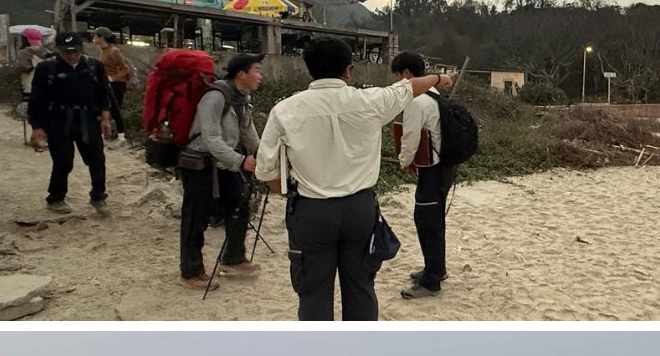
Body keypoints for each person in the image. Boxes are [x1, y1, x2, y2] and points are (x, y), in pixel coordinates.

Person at [254, 37, 454, 321]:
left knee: (313, 292)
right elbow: (407, 88)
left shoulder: (284, 110)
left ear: (309, 68)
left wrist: (291, 194)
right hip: (360, 211)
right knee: (361, 288)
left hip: (311, 213)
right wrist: (439, 77)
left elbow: (265, 171)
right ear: (349, 69)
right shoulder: (370, 101)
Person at [179, 53, 263, 290]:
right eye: (256, 70)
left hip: (225, 162)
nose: (260, 76)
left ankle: (233, 257)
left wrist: (265, 154)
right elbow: (210, 138)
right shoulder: (215, 97)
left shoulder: (242, 98)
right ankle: (191, 271)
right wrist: (240, 161)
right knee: (197, 216)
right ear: (241, 74)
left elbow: (249, 134)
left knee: (239, 205)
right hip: (198, 162)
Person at [392, 51, 460, 300]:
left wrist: (403, 162)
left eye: (398, 76)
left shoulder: (415, 100)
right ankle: (436, 269)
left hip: (432, 170)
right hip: (446, 167)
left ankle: (431, 281)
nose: (397, 82)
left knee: (426, 222)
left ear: (407, 74)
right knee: (434, 220)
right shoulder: (434, 94)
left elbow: (410, 140)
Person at [28, 32, 113, 215]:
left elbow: (104, 93)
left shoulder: (93, 66)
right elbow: (36, 100)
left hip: (88, 118)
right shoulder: (46, 68)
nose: (73, 55)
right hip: (58, 119)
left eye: (76, 51)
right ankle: (56, 198)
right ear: (58, 50)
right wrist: (37, 127)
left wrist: (105, 119)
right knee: (63, 161)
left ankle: (98, 196)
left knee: (97, 159)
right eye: (67, 52)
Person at [92, 28, 130, 149]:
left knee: (115, 110)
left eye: (95, 35)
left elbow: (125, 69)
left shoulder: (114, 51)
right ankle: (102, 136)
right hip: (107, 84)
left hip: (117, 85)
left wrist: (112, 78)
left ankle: (121, 138)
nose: (94, 37)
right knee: (103, 108)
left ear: (102, 37)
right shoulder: (103, 51)